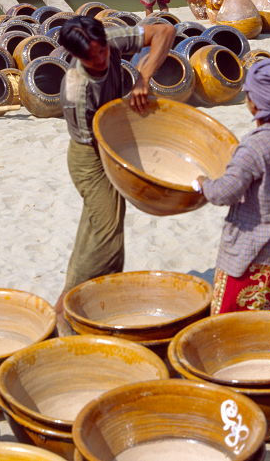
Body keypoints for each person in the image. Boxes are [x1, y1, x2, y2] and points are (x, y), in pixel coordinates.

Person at [55, 16, 175, 320]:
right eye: (90, 57)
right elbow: (100, 145)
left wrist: (144, 77)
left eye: (102, 51)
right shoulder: (77, 90)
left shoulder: (109, 39)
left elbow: (165, 31)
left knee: (98, 229)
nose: (100, 59)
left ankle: (95, 296)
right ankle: (68, 308)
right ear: (76, 56)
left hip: (111, 133)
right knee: (106, 233)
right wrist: (136, 168)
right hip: (91, 156)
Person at [194, 58, 270, 314]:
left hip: (254, 245)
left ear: (254, 102)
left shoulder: (255, 146)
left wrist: (203, 184)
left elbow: (224, 193)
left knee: (232, 311)